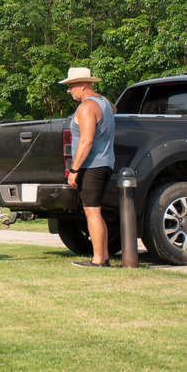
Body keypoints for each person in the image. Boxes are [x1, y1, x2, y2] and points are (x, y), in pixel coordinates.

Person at [59, 67, 116, 268]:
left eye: (71, 86)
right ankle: (104, 257)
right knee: (96, 213)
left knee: (92, 213)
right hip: (106, 163)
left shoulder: (86, 107)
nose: (69, 91)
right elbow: (114, 110)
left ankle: (98, 260)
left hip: (92, 166)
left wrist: (74, 170)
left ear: (83, 84)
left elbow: (86, 141)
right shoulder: (104, 102)